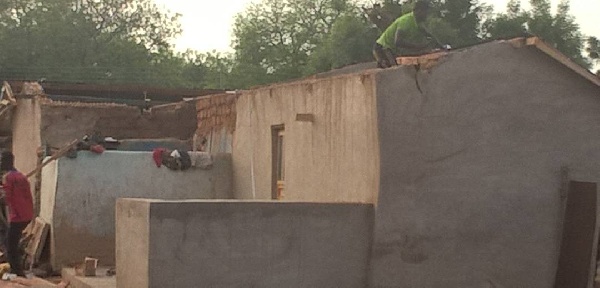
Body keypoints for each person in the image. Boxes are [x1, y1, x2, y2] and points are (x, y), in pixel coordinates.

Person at [373, 1, 444, 68]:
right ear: (419, 11)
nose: (427, 15)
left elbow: (430, 36)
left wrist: (442, 47)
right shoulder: (406, 21)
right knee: (394, 72)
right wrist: (418, 47)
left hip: (392, 49)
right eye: (426, 12)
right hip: (382, 48)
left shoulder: (418, 23)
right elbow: (398, 41)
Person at [1, 152, 33, 277]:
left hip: (17, 216)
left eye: (2, 160)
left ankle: (18, 273)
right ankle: (17, 270)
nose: (0, 163)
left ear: (8, 162)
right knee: (12, 242)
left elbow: (5, 198)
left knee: (10, 246)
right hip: (26, 214)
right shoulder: (21, 176)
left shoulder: (8, 177)